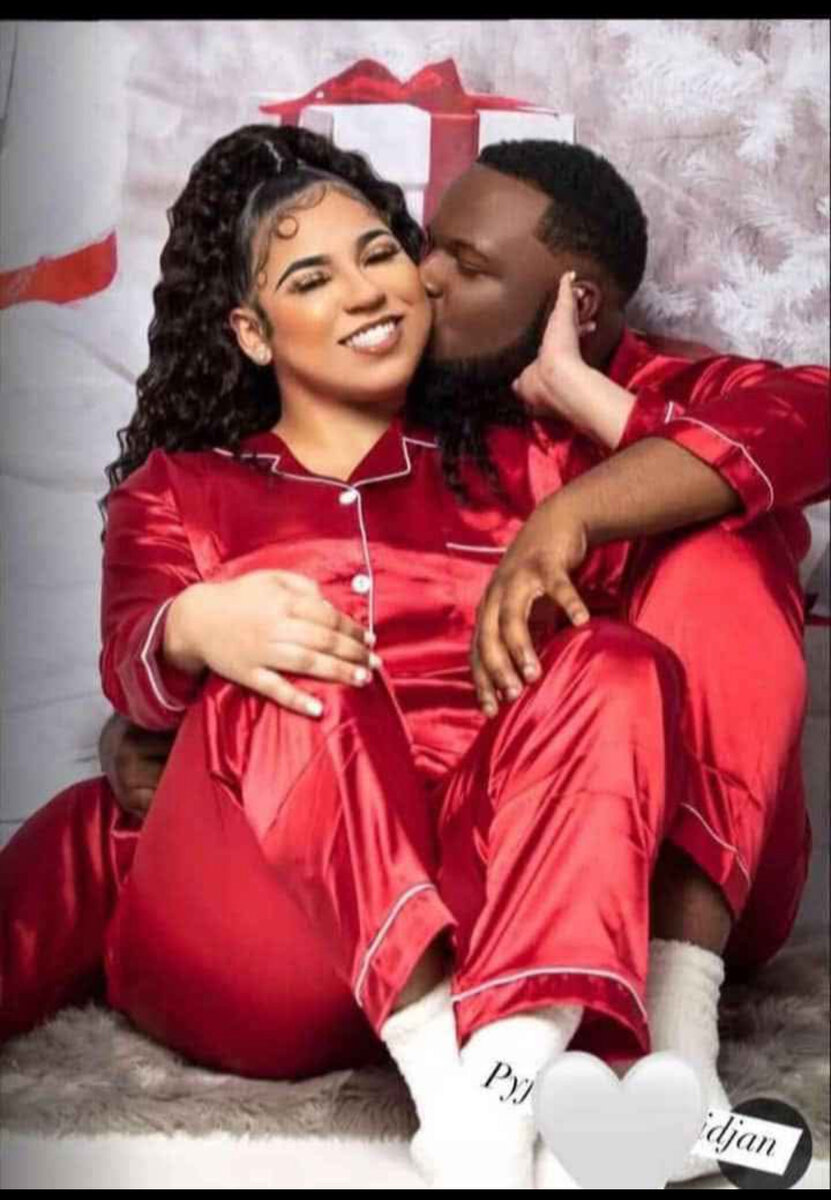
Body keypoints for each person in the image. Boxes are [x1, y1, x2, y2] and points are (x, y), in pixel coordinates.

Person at [1, 128, 825, 1187]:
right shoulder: (183, 489)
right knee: (284, 643)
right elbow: (135, 659)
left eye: (381, 252)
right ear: (252, 332)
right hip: (264, 941)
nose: (372, 290)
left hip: (482, 913)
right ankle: (460, 1100)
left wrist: (580, 423)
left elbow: (767, 465)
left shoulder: (524, 453)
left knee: (618, 657)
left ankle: (520, 1085)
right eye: (312, 278)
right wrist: (198, 632)